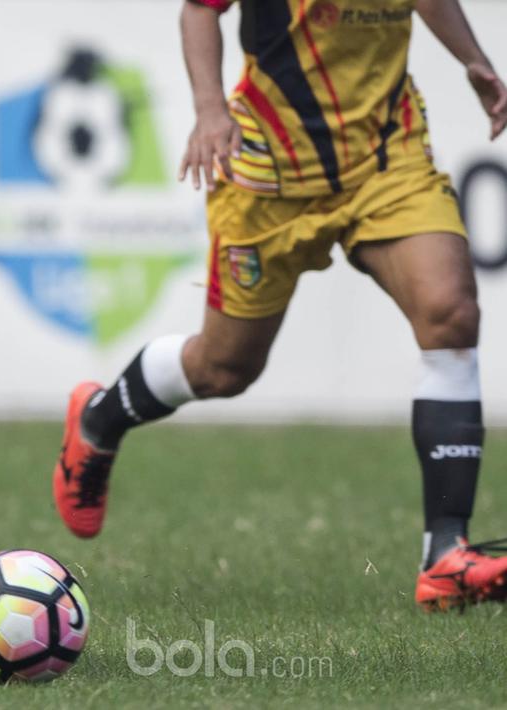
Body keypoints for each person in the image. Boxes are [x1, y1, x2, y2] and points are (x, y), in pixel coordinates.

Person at [53, 0, 507, 610]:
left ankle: (445, 556)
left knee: (451, 313)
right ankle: (100, 418)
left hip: (385, 157)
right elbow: (198, 10)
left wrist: (474, 60)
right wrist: (211, 111)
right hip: (268, 172)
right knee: (224, 368)